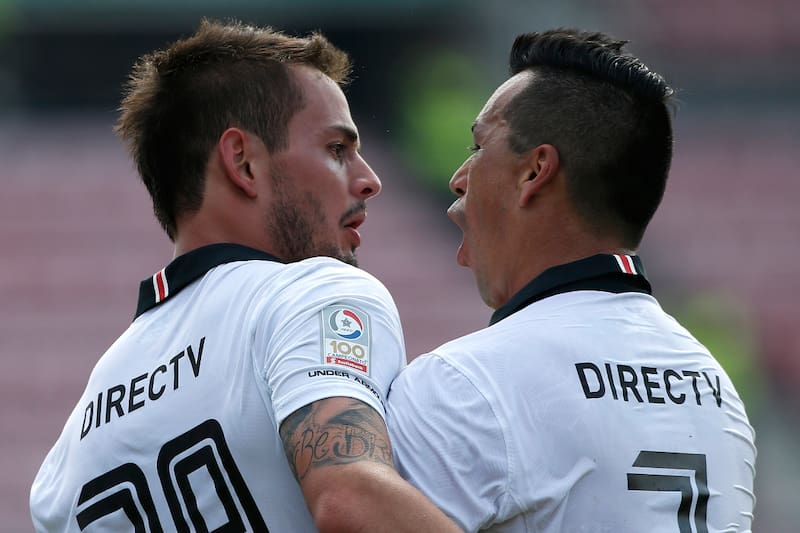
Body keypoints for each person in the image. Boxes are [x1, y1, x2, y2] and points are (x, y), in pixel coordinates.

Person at [30, 19, 461, 533]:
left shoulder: (68, 448)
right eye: (336, 150)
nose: (369, 180)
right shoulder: (309, 292)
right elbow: (350, 496)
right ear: (242, 162)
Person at [386, 29, 757, 532]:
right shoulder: (714, 385)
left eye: (477, 146)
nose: (458, 176)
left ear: (535, 170)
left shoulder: (464, 383)